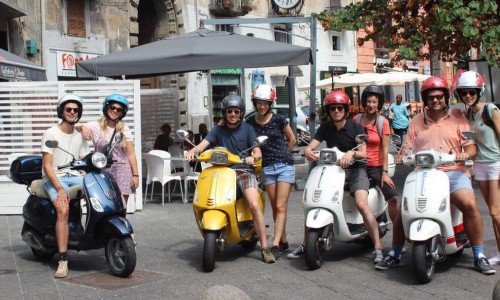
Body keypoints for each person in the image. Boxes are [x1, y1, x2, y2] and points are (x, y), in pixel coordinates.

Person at [399, 76, 495, 275]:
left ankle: (479, 254)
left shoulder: (459, 118)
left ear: (446, 98)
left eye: (440, 97)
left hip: (453, 172)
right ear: (425, 99)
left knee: (469, 204)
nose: (436, 100)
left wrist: (463, 154)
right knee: (403, 206)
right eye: (431, 97)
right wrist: (402, 156)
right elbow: (407, 146)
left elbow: (471, 147)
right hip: (423, 173)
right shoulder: (416, 121)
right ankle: (394, 251)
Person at [288, 90, 384, 264]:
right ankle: (305, 244)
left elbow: (363, 152)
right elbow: (312, 145)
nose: (336, 111)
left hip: (355, 171)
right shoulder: (325, 127)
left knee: (361, 204)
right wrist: (308, 151)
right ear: (328, 110)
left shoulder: (356, 127)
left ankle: (378, 247)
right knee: (313, 203)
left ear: (346, 110)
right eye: (333, 108)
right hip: (333, 170)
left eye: (340, 108)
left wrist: (351, 154)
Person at [184, 94, 275, 263]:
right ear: (224, 113)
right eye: (229, 111)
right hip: (220, 171)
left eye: (236, 111)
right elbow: (202, 145)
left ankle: (264, 247)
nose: (233, 114)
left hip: (243, 171)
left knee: (254, 204)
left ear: (240, 113)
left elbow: (257, 151)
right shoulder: (218, 129)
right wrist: (193, 151)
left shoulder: (247, 129)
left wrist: (252, 158)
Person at [354, 85, 406, 269]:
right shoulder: (357, 119)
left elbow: (385, 148)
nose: (371, 104)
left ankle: (399, 239)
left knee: (393, 198)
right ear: (364, 102)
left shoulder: (383, 122)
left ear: (379, 104)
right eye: (368, 101)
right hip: (359, 166)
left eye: (374, 102)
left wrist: (384, 171)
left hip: (376, 167)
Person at [41, 94, 90, 278]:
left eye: (75, 110)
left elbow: (84, 159)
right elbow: (47, 165)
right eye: (68, 109)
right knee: (62, 209)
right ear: (61, 111)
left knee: (99, 193)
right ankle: (63, 260)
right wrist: (60, 189)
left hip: (75, 176)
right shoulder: (50, 133)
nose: (71, 112)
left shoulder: (79, 136)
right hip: (54, 177)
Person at [246, 84, 296, 259]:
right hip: (267, 167)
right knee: (275, 207)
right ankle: (283, 239)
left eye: (265, 103)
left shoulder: (279, 119)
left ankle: (275, 245)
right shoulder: (250, 122)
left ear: (270, 104)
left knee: (281, 206)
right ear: (255, 103)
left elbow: (292, 139)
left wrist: (285, 155)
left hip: (284, 165)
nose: (262, 106)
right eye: (259, 103)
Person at [456, 71, 500, 265]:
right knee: (494, 213)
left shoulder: (490, 110)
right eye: (464, 93)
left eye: (472, 92)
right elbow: (470, 141)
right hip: (480, 165)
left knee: (495, 212)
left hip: (496, 163)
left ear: (479, 91)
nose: (468, 96)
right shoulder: (467, 114)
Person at [79, 94, 139, 205]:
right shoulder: (96, 126)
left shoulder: (125, 129)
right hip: (103, 170)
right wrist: (83, 127)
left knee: (121, 206)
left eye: (119, 109)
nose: (115, 110)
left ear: (122, 112)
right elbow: (74, 127)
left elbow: (131, 154)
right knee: (104, 203)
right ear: (107, 107)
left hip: (122, 171)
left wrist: (135, 175)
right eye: (112, 107)